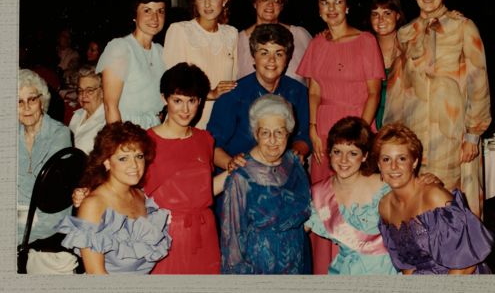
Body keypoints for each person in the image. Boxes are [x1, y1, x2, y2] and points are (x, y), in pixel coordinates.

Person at [382, 0, 491, 216]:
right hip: (414, 134)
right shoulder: (405, 33)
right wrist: (393, 137)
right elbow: (397, 90)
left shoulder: (463, 27)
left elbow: (478, 81)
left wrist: (473, 134)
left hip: (453, 133)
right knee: (417, 201)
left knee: (450, 200)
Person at [296, 0, 385, 274]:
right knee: (325, 204)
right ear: (318, 9)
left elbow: (374, 92)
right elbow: (315, 90)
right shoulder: (318, 42)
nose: (331, 9)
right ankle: (325, 272)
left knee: (354, 203)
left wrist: (359, 133)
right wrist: (311, 127)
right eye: (325, 3)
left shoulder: (365, 41)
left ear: (347, 7)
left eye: (337, 2)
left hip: (357, 130)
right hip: (324, 131)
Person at [144, 62, 230, 274]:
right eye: (177, 101)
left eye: (191, 101)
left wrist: (236, 171)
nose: (185, 109)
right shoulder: (146, 142)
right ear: (165, 98)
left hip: (205, 232)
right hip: (165, 235)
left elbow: (205, 190)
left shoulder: (204, 139)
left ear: (200, 101)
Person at [375, 123, 493, 274]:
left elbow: (465, 266)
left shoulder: (434, 197)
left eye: (402, 158)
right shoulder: (385, 206)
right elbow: (407, 266)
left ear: (414, 162)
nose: (393, 166)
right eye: (386, 159)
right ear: (379, 165)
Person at [56, 122, 171, 274]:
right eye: (123, 158)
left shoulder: (141, 196)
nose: (134, 165)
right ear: (107, 162)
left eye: (139, 156)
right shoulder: (94, 205)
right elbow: (96, 274)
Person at [220, 94, 311, 274]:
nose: (272, 140)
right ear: (255, 134)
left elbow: (307, 211)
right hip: (259, 267)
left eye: (279, 132)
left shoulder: (294, 164)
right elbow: (232, 243)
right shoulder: (241, 175)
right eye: (265, 133)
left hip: (297, 261)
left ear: (288, 133)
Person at [207, 23, 311, 172]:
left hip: (281, 173)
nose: (271, 60)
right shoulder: (233, 94)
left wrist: (295, 153)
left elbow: (304, 136)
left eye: (279, 53)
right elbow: (212, 145)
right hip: (239, 177)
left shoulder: (298, 91)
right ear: (253, 57)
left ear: (287, 59)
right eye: (264, 53)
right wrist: (231, 163)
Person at [305, 117, 397, 275]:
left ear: (365, 156)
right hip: (347, 271)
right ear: (330, 153)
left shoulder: (386, 185)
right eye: (337, 152)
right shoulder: (319, 194)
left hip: (388, 270)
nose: (343, 160)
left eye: (353, 153)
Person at [163, 0, 238, 128]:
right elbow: (173, 85)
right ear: (195, 2)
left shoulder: (231, 33)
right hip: (189, 118)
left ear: (224, 0)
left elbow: (235, 80)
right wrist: (210, 93)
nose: (207, 4)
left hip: (223, 118)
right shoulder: (180, 30)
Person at [96, 0, 170, 129]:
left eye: (160, 11)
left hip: (154, 128)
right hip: (125, 129)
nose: (155, 18)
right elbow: (110, 106)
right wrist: (120, 145)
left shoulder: (161, 52)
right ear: (134, 15)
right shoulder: (121, 48)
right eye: (147, 10)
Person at [18, 69, 72, 248]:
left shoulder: (59, 134)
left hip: (45, 215)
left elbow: (49, 192)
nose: (26, 107)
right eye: (18, 102)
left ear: (42, 101)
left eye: (31, 99)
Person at [237, 0, 312, 85]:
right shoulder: (238, 40)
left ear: (282, 6)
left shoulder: (300, 35)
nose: (270, 5)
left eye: (277, 0)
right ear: (255, 3)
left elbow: (314, 80)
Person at [367, 0, 405, 130]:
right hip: (371, 124)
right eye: (375, 14)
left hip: (403, 125)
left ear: (398, 15)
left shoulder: (410, 47)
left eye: (387, 13)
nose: (380, 19)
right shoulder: (363, 49)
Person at [68, 65, 106, 154]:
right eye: (80, 90)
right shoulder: (77, 115)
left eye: (89, 90)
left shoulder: (105, 122)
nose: (83, 95)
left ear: (102, 92)